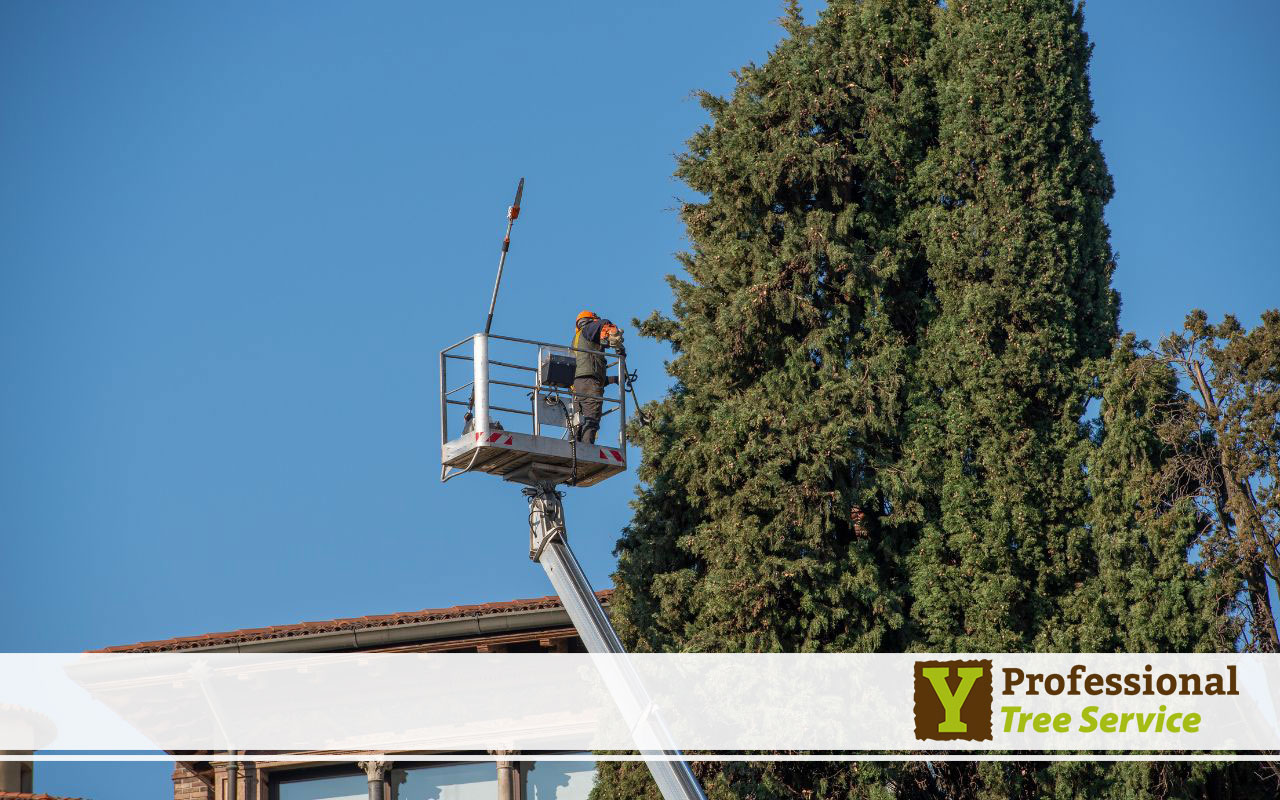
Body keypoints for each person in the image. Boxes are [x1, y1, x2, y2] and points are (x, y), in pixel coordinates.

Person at [571, 310, 623, 443]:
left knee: (578, 423)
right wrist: (611, 330)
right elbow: (602, 324)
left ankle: (575, 450)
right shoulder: (588, 329)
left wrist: (615, 379)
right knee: (591, 419)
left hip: (578, 386)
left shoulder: (577, 341)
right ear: (590, 321)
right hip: (589, 382)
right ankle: (587, 451)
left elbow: (590, 374)